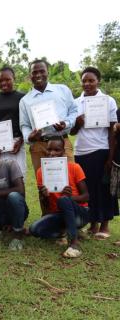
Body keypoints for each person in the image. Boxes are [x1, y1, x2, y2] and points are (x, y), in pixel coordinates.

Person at [70, 67, 118, 239]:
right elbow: (73, 131)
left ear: (98, 81)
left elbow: (113, 131)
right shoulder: (76, 102)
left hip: (101, 149)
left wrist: (110, 157)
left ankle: (105, 225)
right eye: (84, 81)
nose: (87, 84)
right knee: (87, 188)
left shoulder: (108, 101)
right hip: (81, 150)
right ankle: (92, 224)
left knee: (103, 187)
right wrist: (78, 122)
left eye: (91, 80)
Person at [29, 137, 90, 258]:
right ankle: (64, 231)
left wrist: (70, 198)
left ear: (63, 152)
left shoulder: (74, 167)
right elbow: (47, 207)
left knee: (63, 200)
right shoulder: (41, 172)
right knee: (34, 229)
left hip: (80, 214)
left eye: (57, 150)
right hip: (58, 214)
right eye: (49, 150)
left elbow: (86, 196)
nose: (52, 153)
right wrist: (44, 196)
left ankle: (74, 243)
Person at [19, 59, 77, 173]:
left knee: (69, 180)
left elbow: (74, 111)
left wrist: (66, 124)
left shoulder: (62, 90)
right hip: (38, 146)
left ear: (48, 72)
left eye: (42, 71)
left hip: (62, 142)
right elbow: (24, 125)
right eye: (34, 72)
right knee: (44, 185)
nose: (38, 75)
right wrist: (29, 136)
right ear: (30, 75)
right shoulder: (25, 100)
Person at [0, 67, 26, 175]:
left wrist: (21, 140)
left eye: (7, 79)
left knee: (19, 174)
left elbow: (27, 122)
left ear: (14, 79)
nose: (3, 83)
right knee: (2, 176)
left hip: (16, 143)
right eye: (0, 81)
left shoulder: (22, 98)